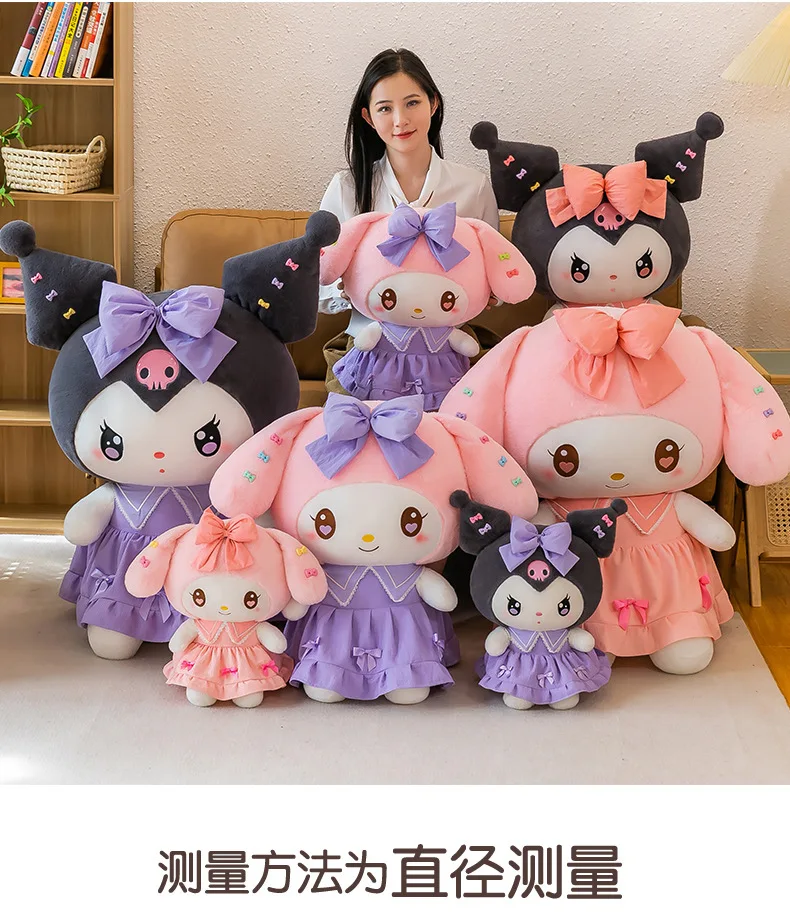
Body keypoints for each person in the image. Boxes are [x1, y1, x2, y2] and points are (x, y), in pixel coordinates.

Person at [318, 48, 499, 339]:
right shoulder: (346, 188)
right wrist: (344, 289)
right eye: (385, 108)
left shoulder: (473, 187)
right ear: (368, 117)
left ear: (433, 103)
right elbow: (318, 284)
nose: (400, 119)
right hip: (367, 346)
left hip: (450, 346)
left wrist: (489, 290)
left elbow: (498, 272)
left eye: (412, 103)